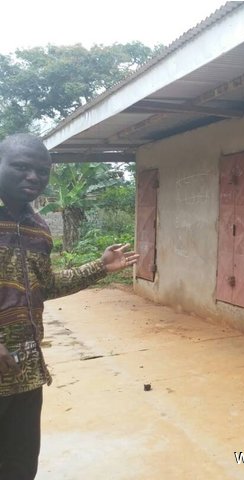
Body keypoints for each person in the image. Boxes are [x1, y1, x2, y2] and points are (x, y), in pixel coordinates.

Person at [0, 133, 139, 479]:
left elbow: (44, 287)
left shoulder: (39, 230)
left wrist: (100, 268)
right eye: (21, 167)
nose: (33, 176)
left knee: (19, 467)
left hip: (24, 372)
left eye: (41, 171)